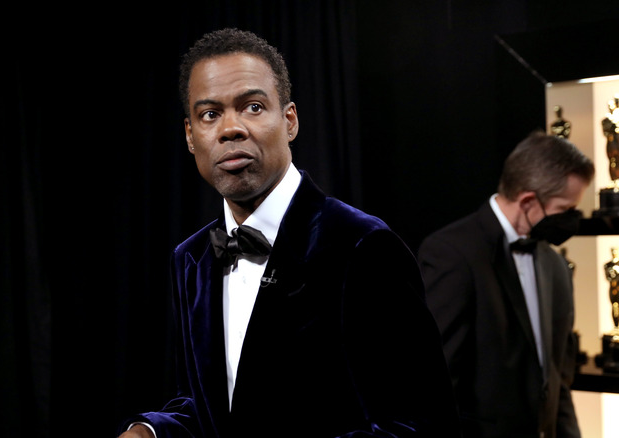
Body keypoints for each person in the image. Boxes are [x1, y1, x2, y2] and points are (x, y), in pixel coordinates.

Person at [117, 28, 460, 438]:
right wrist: (152, 432)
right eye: (210, 114)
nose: (230, 129)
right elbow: (211, 408)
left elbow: (419, 424)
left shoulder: (363, 246)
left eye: (253, 107)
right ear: (191, 136)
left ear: (290, 120)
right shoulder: (191, 258)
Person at [417, 131, 595, 438]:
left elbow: (556, 379)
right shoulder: (453, 253)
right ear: (528, 201)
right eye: (565, 210)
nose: (572, 219)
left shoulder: (555, 265)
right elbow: (436, 379)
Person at [601, 95, 619, 185]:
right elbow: (605, 131)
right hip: (611, 140)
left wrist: (617, 125)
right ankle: (613, 179)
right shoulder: (607, 119)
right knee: (612, 160)